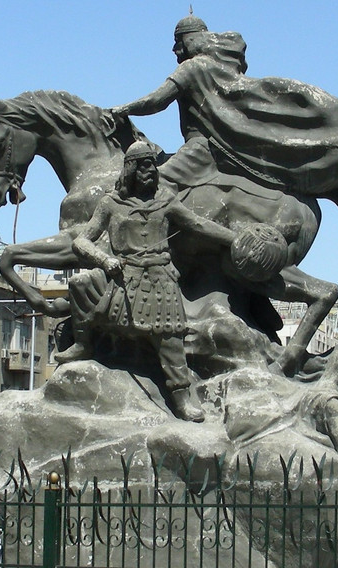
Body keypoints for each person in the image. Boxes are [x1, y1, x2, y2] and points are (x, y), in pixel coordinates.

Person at [110, 15, 338, 216]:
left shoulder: (193, 68)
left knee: (153, 188)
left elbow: (158, 100)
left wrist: (124, 109)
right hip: (219, 150)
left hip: (201, 149)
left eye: (177, 41)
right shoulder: (222, 68)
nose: (174, 50)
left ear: (189, 39)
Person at [59, 140, 235, 422]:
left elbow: (198, 224)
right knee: (79, 285)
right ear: (130, 169)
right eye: (142, 166)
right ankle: (83, 344)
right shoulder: (111, 203)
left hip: (160, 278)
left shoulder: (165, 201)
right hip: (122, 277)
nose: (149, 172)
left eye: (152, 166)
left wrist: (236, 240)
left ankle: (181, 398)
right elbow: (81, 241)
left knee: (169, 338)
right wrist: (105, 260)